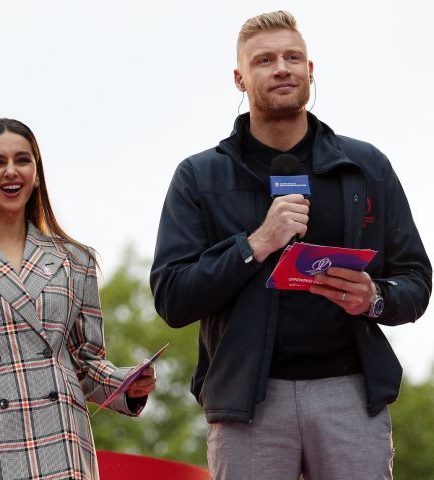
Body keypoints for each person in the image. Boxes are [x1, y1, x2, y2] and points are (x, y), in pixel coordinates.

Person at [150, 11, 431, 480]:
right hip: (248, 405)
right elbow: (173, 298)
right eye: (264, 60)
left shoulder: (364, 167)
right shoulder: (199, 177)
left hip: (350, 394)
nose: (281, 68)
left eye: (292, 57)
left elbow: (417, 280)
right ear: (240, 78)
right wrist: (256, 244)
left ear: (310, 71)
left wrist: (375, 297)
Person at [0, 118, 156, 479]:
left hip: (63, 441)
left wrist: (125, 383)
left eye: (23, 160)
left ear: (37, 173)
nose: (12, 171)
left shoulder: (77, 259)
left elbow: (85, 361)